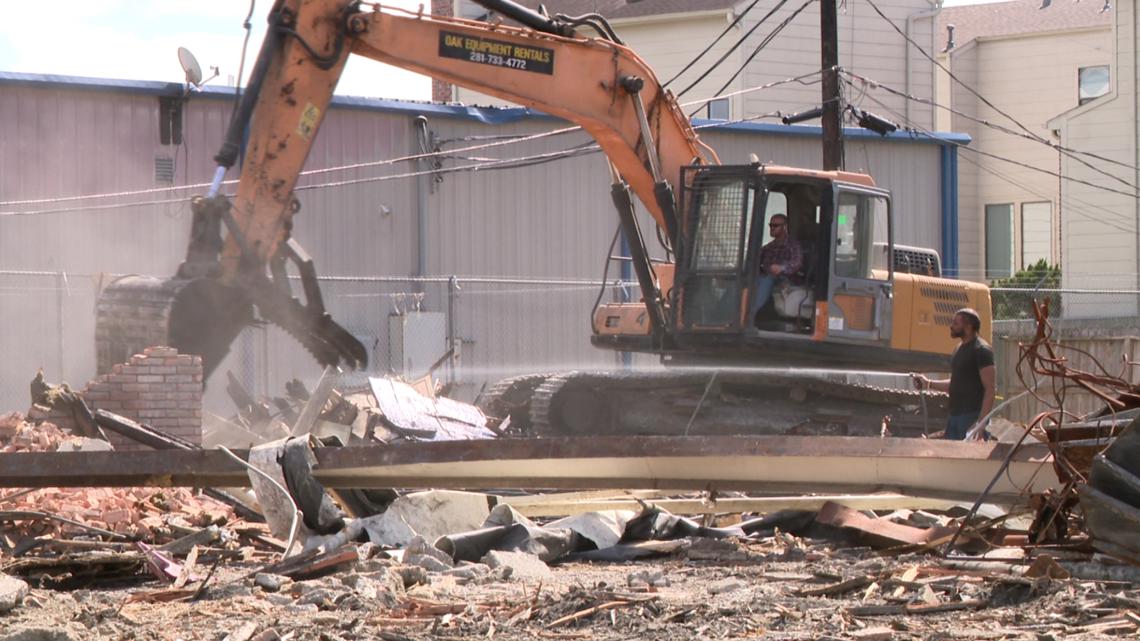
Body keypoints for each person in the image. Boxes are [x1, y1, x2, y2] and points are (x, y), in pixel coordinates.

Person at [912, 308, 996, 440]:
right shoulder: (959, 349)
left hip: (971, 417)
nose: (951, 326)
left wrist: (980, 424)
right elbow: (956, 383)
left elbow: (990, 389)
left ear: (968, 326)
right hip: (955, 417)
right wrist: (928, 384)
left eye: (956, 323)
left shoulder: (981, 350)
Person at [750, 213, 803, 321]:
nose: (772, 228)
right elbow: (755, 261)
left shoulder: (793, 245)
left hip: (787, 279)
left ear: (785, 227)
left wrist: (781, 268)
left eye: (775, 226)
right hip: (766, 276)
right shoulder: (768, 247)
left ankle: (750, 315)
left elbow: (796, 263)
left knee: (767, 280)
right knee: (746, 279)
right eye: (770, 225)